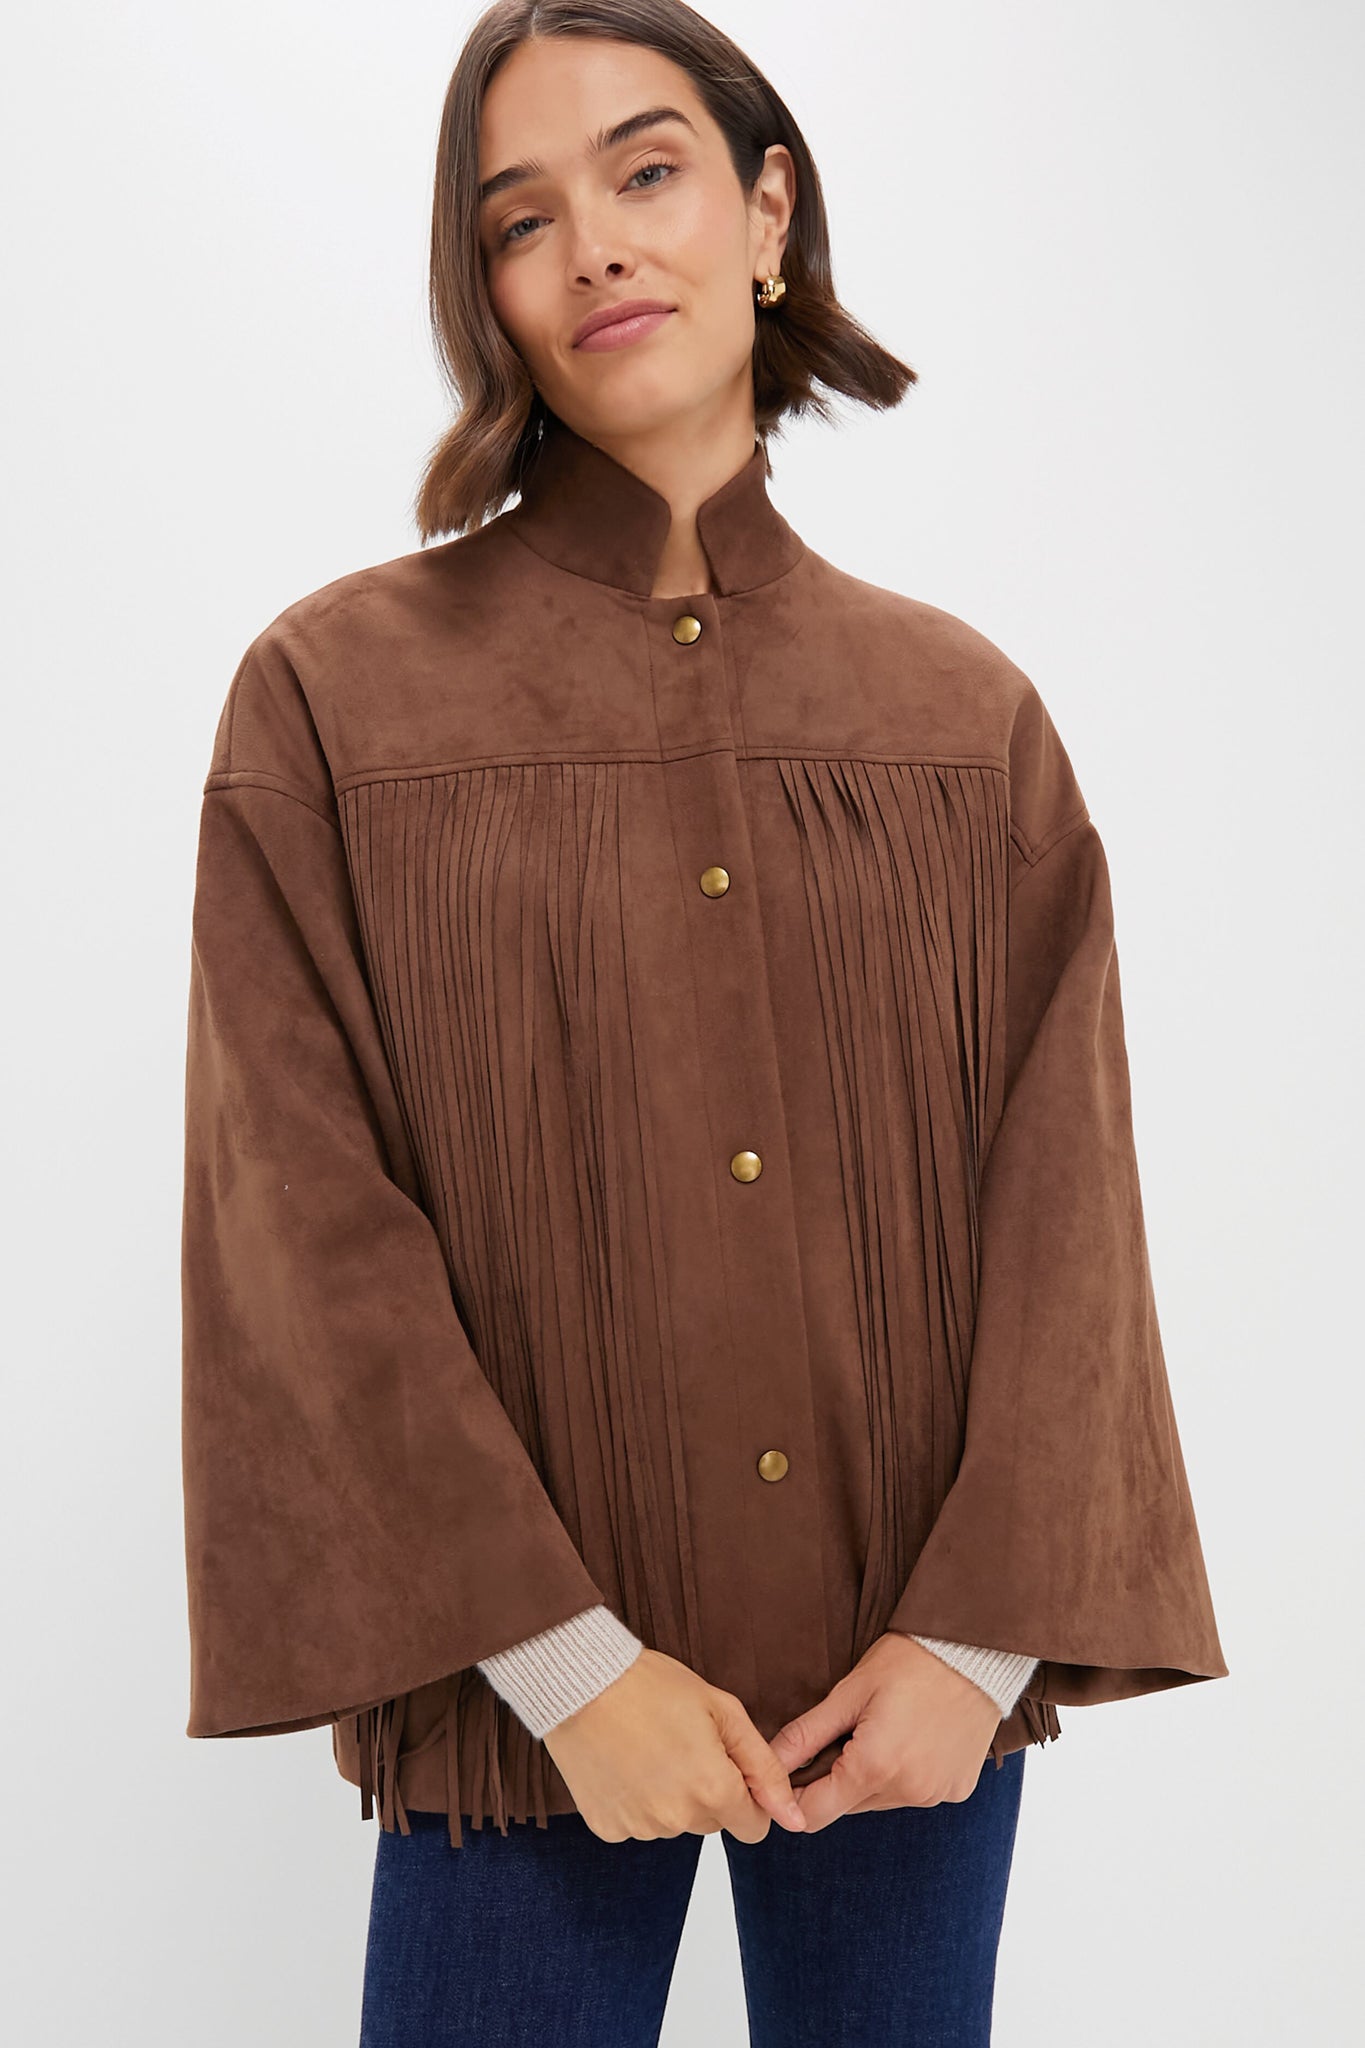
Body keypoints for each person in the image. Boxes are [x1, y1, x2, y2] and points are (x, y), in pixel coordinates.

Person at [178, 3, 1228, 2042]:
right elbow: (300, 1219)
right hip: (517, 1706)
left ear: (764, 213)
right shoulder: (329, 701)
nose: (590, 244)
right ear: (483, 291)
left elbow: (1065, 1217)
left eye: (644, 170)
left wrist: (972, 1647)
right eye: (518, 218)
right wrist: (569, 1671)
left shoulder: (963, 719)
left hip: (905, 1703)